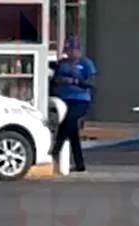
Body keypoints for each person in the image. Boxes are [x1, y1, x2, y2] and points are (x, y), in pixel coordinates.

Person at [50, 37, 96, 173]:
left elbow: (91, 83)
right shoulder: (61, 64)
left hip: (79, 99)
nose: (69, 53)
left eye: (72, 50)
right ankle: (79, 164)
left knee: (68, 120)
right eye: (67, 50)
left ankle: (55, 149)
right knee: (72, 131)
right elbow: (53, 80)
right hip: (63, 99)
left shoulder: (86, 64)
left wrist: (75, 81)